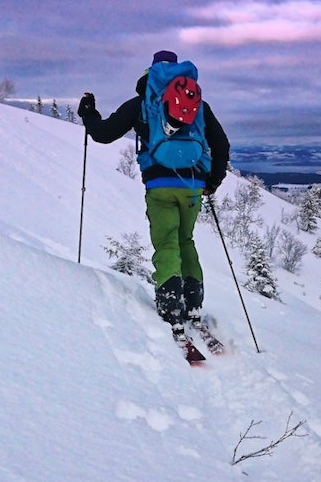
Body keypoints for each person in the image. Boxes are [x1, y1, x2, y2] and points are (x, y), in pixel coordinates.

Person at [78, 50, 230, 338]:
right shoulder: (198, 104)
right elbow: (221, 144)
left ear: (151, 71)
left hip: (159, 185)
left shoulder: (142, 102)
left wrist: (88, 112)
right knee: (185, 239)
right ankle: (193, 304)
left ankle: (171, 305)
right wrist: (213, 182)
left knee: (166, 243)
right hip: (194, 186)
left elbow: (103, 133)